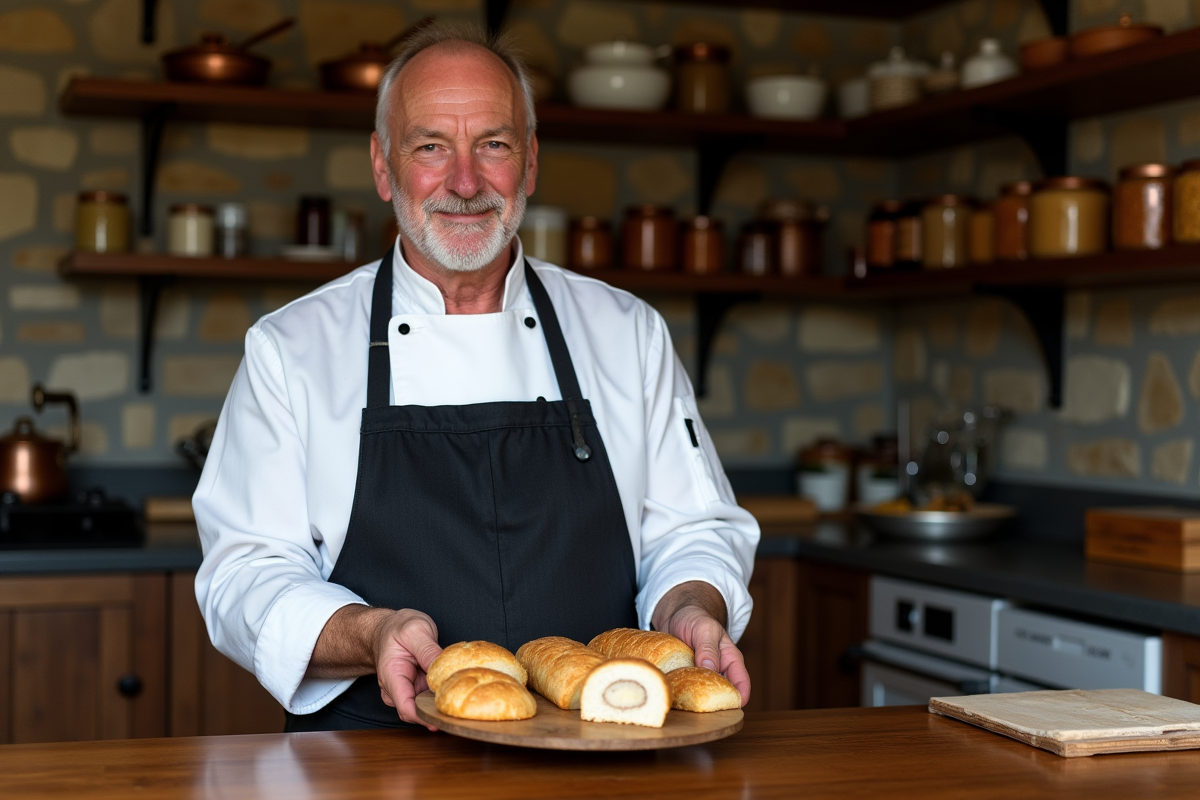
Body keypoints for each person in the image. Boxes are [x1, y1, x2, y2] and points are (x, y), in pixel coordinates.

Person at [193, 22, 760, 732]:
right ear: (382, 167)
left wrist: (690, 608)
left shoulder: (627, 333)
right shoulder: (291, 346)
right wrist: (370, 633)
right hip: (372, 760)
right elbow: (242, 577)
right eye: (430, 146)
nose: (465, 182)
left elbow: (693, 529)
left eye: (492, 144)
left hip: (606, 745)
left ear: (528, 165)